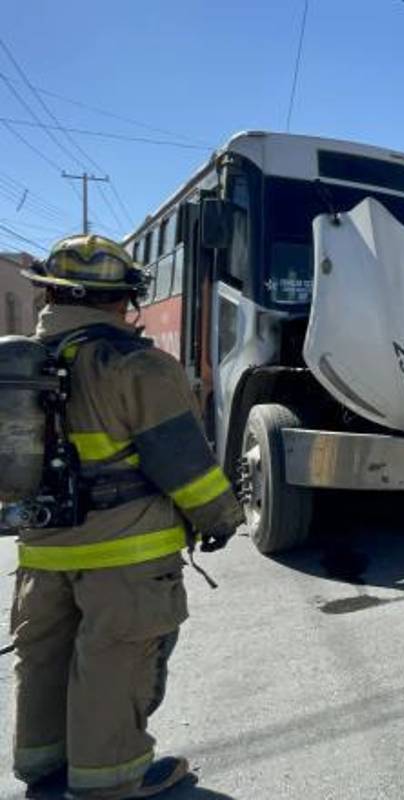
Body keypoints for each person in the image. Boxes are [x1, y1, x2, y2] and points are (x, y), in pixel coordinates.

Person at [10, 235, 245, 798]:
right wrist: (220, 518)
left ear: (49, 293)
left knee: (44, 658)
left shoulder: (21, 367)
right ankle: (111, 780)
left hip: (41, 550)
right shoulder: (137, 366)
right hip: (127, 556)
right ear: (123, 300)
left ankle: (43, 766)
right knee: (115, 663)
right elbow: (185, 467)